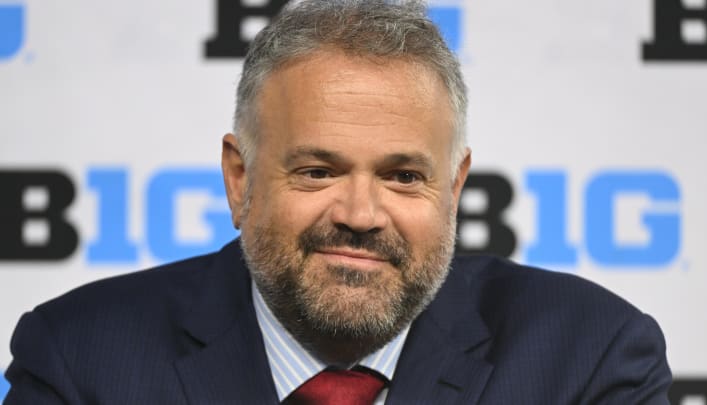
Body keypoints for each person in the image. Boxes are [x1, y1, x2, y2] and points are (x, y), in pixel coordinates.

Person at [4, 1, 671, 404]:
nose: (360, 212)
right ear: (239, 179)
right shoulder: (82, 360)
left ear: (455, 188)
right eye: (318, 170)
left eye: (405, 176)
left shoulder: (588, 356)